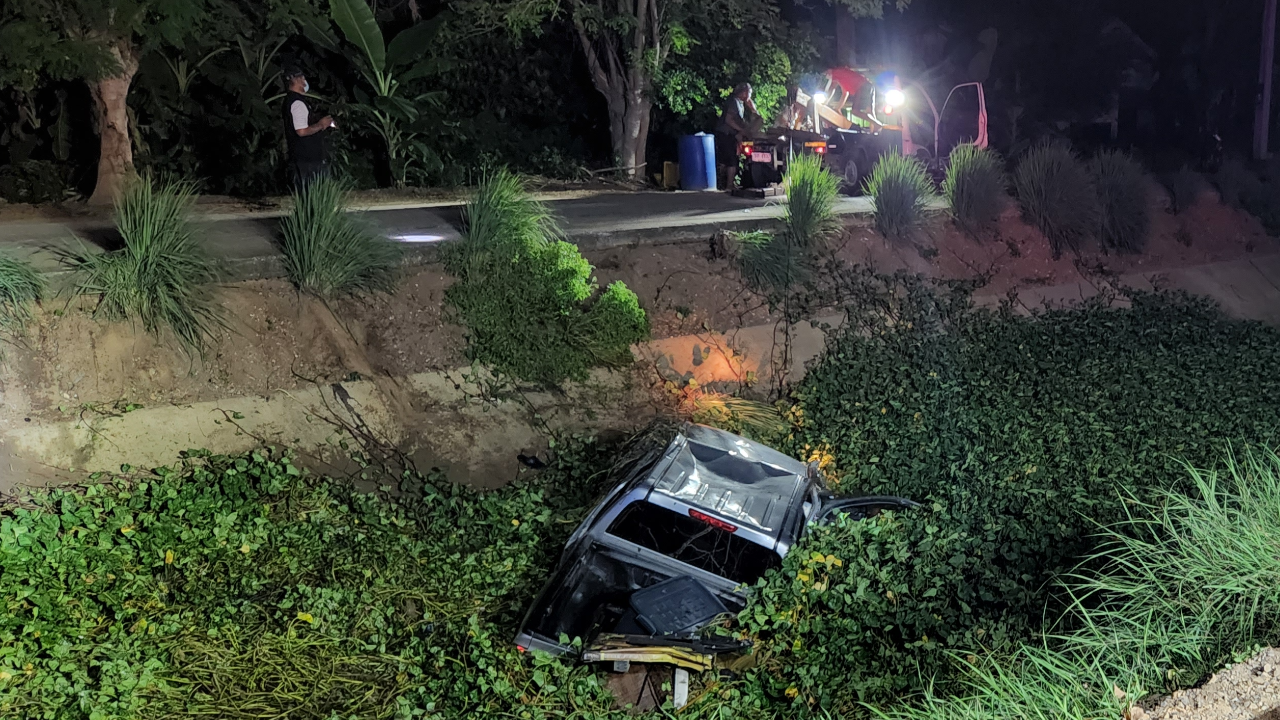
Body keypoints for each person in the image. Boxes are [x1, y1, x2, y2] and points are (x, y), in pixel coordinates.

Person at [281, 68, 335, 189]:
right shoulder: (297, 103)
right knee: (315, 194)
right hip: (308, 161)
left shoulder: (292, 101)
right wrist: (321, 124)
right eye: (303, 78)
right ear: (296, 80)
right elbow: (301, 131)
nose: (305, 81)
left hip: (304, 160)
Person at [714, 83, 761, 190]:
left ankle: (722, 184)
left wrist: (752, 107)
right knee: (731, 160)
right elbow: (728, 120)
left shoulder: (740, 103)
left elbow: (754, 117)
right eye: (749, 93)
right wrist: (742, 131)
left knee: (725, 160)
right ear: (744, 92)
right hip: (726, 134)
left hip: (729, 134)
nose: (750, 96)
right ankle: (729, 186)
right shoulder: (733, 102)